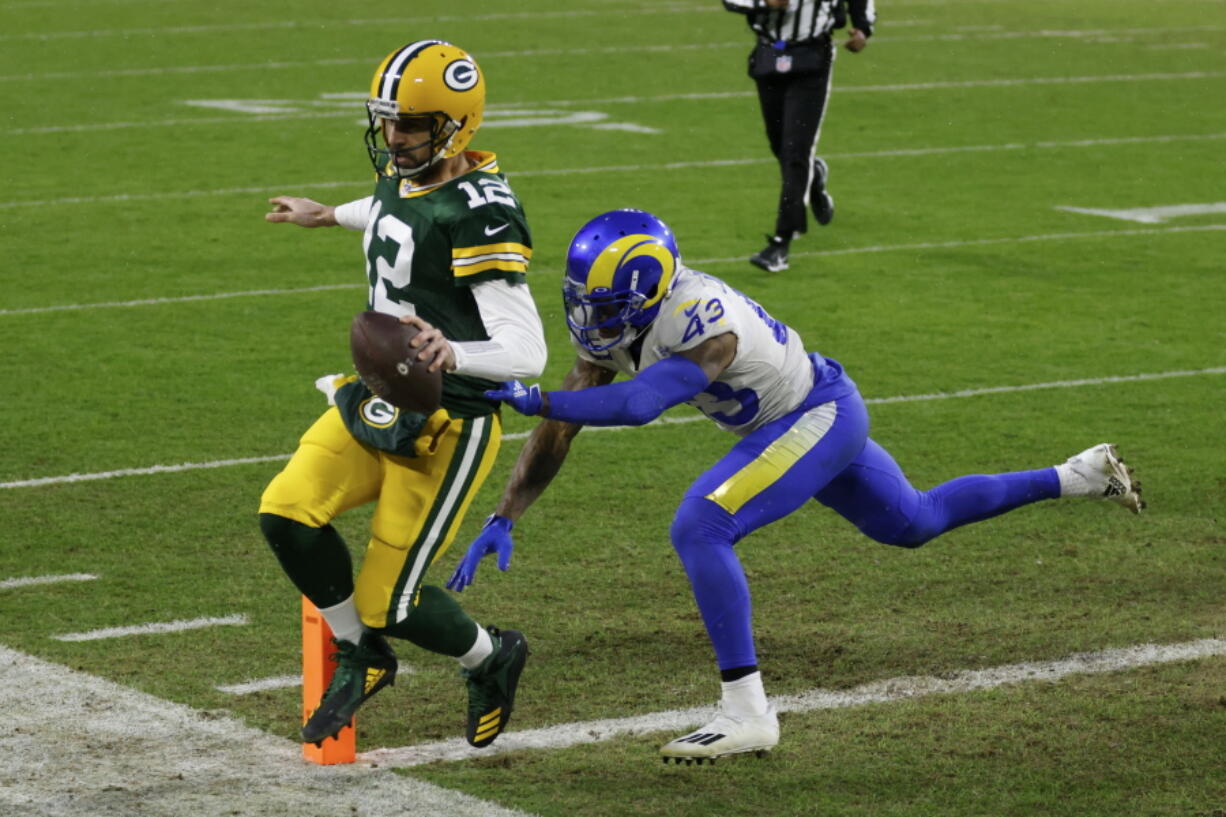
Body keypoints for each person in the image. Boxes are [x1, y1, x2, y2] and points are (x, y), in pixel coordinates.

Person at [444, 208, 1144, 763]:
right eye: (583, 300)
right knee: (915, 520)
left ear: (649, 290)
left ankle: (747, 711)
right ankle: (1077, 474)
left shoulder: (700, 318)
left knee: (701, 523)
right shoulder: (627, 319)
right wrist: (508, 511)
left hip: (819, 414)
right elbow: (565, 425)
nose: (591, 318)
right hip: (800, 418)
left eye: (604, 303)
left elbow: (638, 404)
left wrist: (530, 399)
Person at [258, 40, 546, 750]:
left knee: (394, 598)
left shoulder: (482, 212)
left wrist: (455, 352)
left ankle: (491, 654)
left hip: (452, 422)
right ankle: (364, 652)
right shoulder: (404, 169)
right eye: (387, 120)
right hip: (380, 393)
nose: (393, 136)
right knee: (286, 512)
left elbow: (530, 352)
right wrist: (326, 214)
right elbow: (393, 212)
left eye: (410, 124)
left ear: (454, 125)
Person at [723, 0, 876, 273]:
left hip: (812, 56)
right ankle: (814, 176)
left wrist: (863, 27)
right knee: (780, 145)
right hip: (770, 52)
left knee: (795, 152)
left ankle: (781, 243)